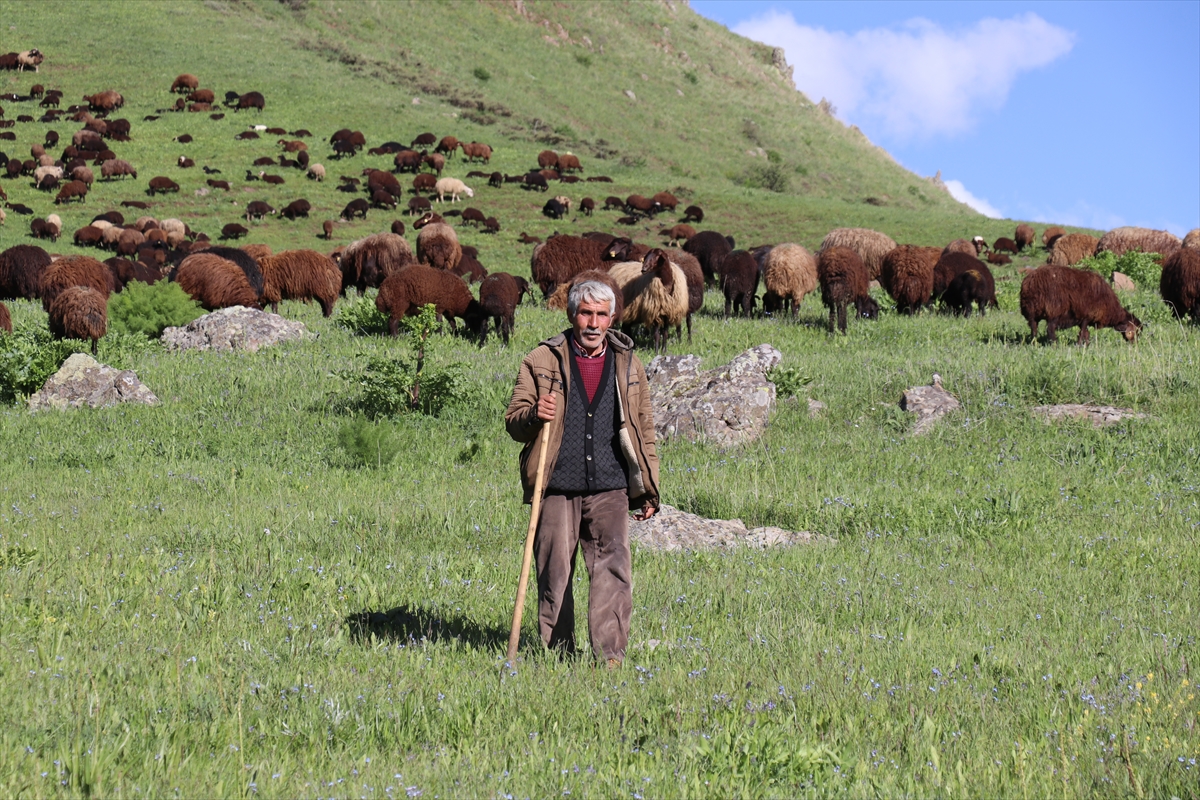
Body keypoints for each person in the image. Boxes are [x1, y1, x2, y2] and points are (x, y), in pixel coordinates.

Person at [505, 278, 660, 667]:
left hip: (611, 485)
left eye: (601, 314)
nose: (593, 323)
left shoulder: (628, 363)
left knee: (613, 569)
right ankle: (558, 654)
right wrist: (533, 414)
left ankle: (610, 656)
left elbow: (644, 427)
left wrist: (649, 487)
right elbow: (513, 421)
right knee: (554, 572)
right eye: (586, 313)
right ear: (572, 314)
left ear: (612, 318)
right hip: (556, 482)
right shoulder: (542, 360)